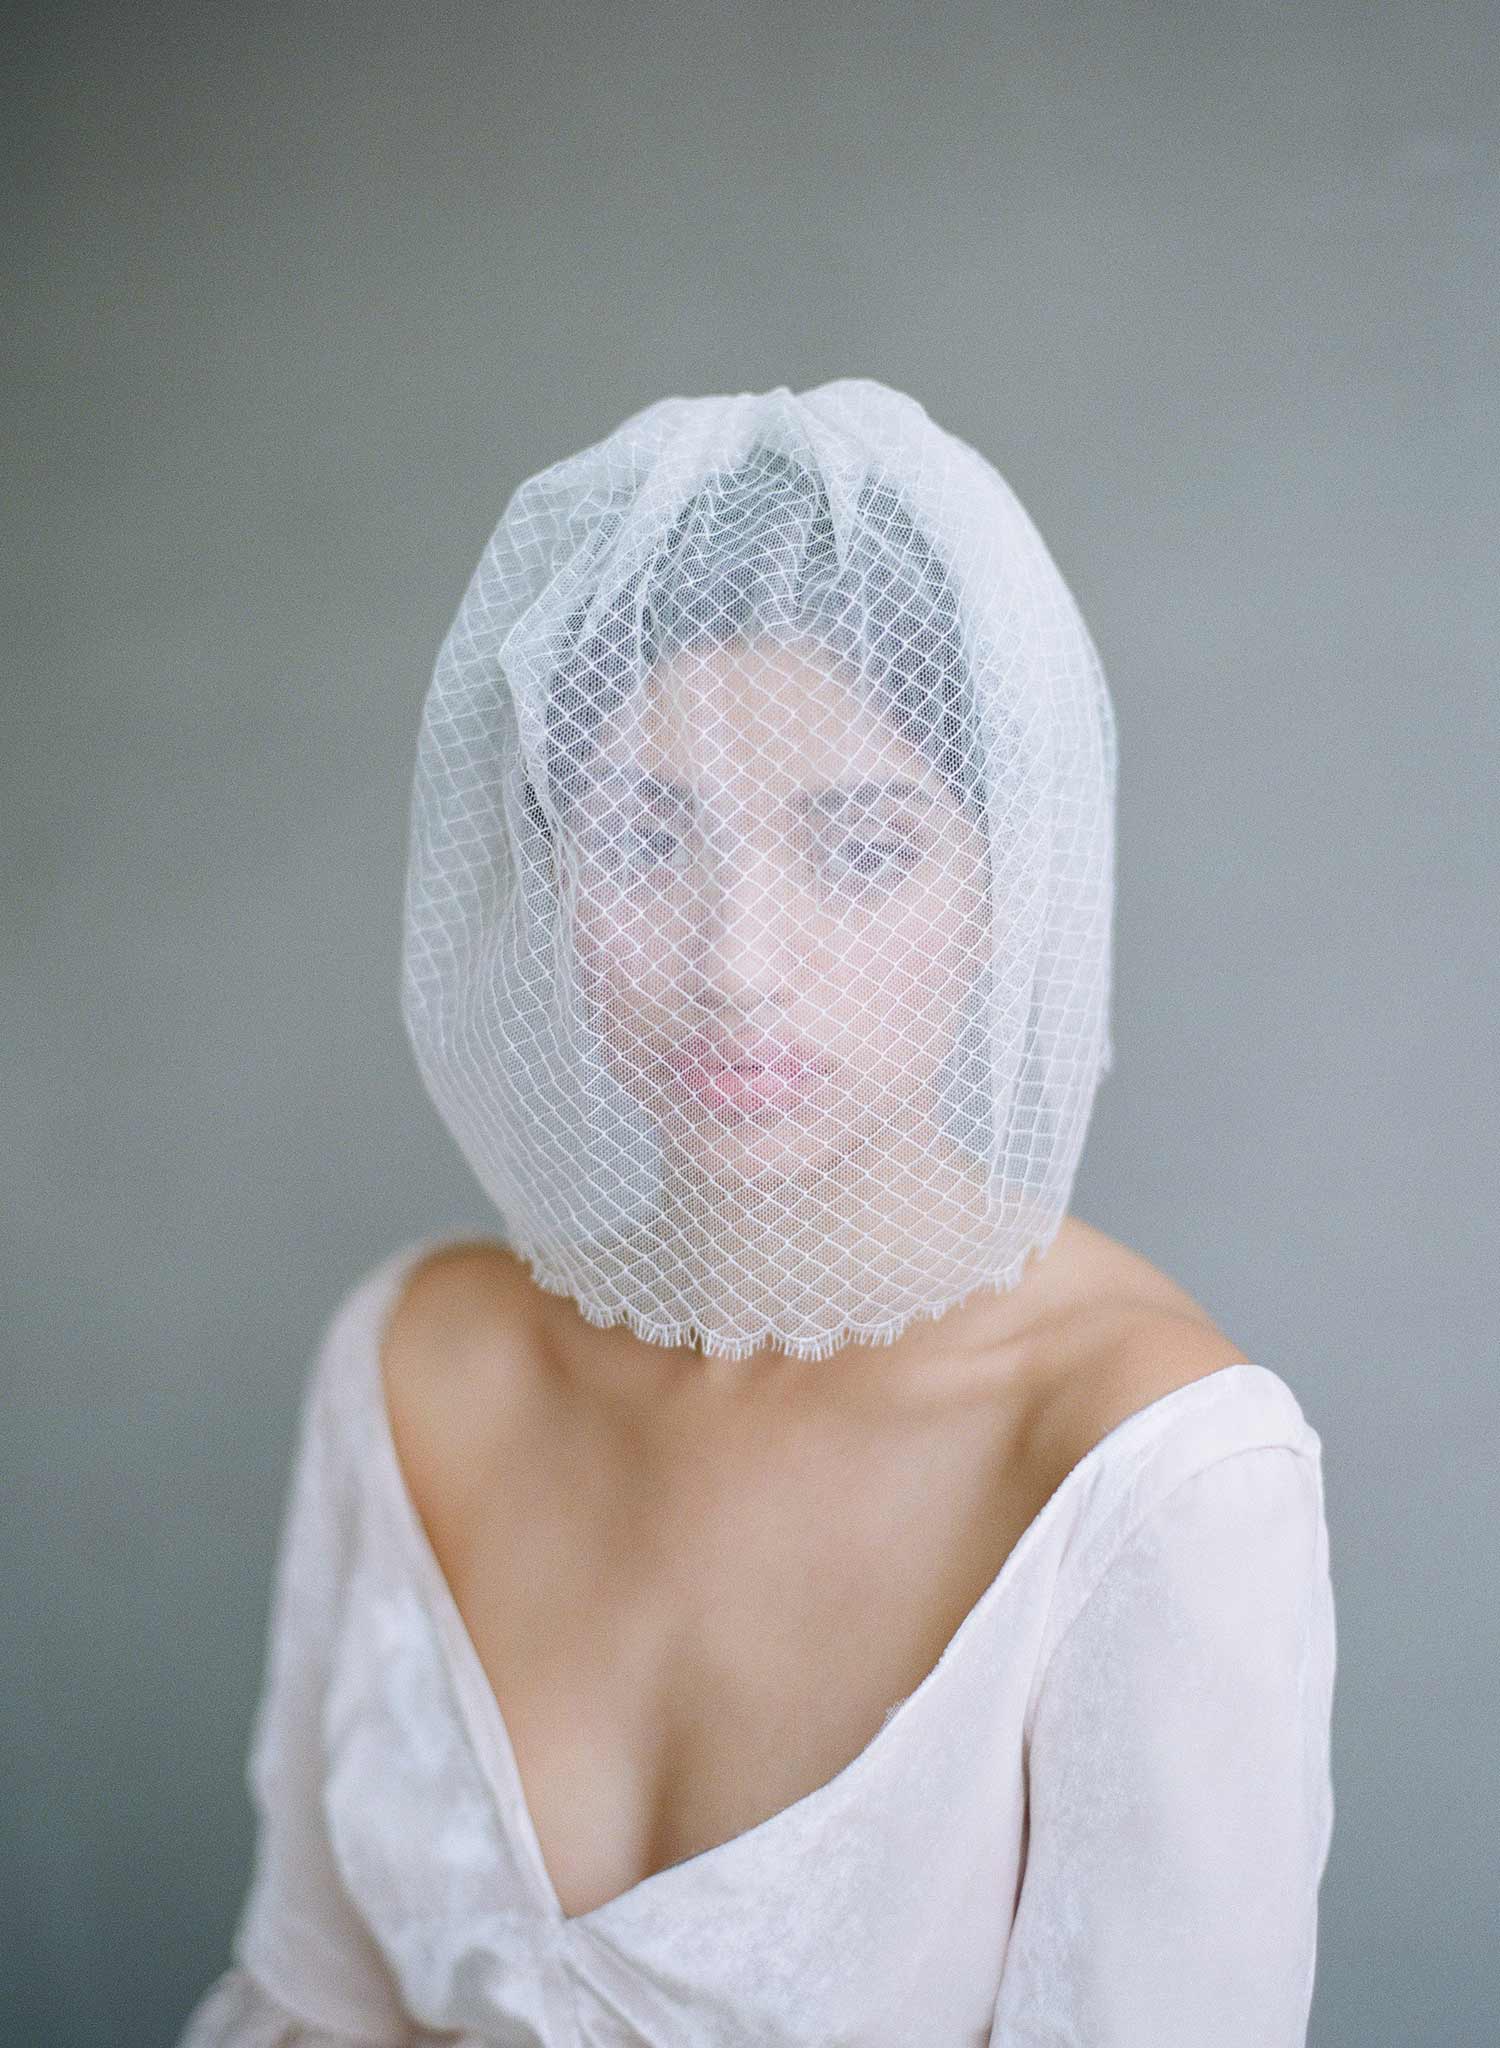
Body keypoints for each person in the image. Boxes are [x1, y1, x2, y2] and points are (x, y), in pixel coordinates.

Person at [179, 380, 1336, 2045]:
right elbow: (312, 2003)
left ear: (1006, 886)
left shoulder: (1151, 1471)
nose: (737, 964)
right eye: (645, 838)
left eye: (859, 852)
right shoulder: (417, 1362)